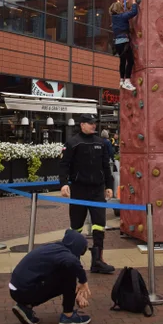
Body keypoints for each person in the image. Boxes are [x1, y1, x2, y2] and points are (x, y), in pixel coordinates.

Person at [59, 114, 115, 274]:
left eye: (94, 123)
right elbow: (64, 165)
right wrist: (63, 184)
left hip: (97, 190)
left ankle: (97, 261)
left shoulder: (101, 143)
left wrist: (109, 186)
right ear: (82, 124)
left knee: (99, 225)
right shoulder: (73, 143)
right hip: (79, 189)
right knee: (76, 227)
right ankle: (70, 260)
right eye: (90, 123)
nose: (93, 126)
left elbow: (106, 166)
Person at [9, 229, 91, 324]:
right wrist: (83, 282)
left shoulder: (54, 248)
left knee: (66, 271)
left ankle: (25, 307)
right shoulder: (64, 254)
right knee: (69, 274)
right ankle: (68, 316)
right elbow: (72, 262)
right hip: (25, 291)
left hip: (16, 289)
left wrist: (77, 293)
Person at [110, 0, 141, 91]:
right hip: (124, 42)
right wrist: (135, 3)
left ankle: (121, 81)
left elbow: (123, 14)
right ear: (120, 9)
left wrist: (124, 6)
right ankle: (127, 81)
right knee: (130, 61)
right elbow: (133, 13)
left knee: (123, 61)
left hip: (117, 43)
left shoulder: (114, 18)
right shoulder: (122, 16)